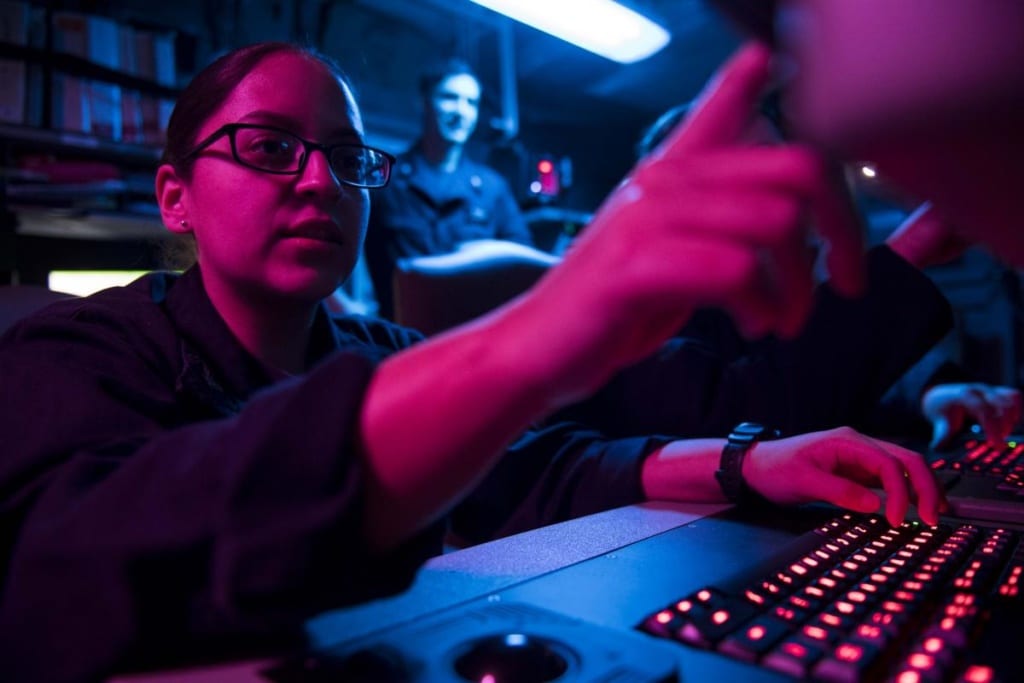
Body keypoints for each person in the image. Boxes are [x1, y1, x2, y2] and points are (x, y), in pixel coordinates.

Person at [0, 41, 944, 680]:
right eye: (268, 147)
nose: (322, 180)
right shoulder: (72, 349)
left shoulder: (375, 351)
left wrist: (751, 460)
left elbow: (534, 465)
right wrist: (540, 327)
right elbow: (55, 577)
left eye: (344, 155)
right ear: (175, 197)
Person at [363, 57, 535, 318]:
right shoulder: (386, 180)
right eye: (449, 98)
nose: (461, 111)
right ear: (423, 103)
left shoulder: (492, 189)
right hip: (401, 339)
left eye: (471, 103)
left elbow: (522, 264)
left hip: (471, 338)